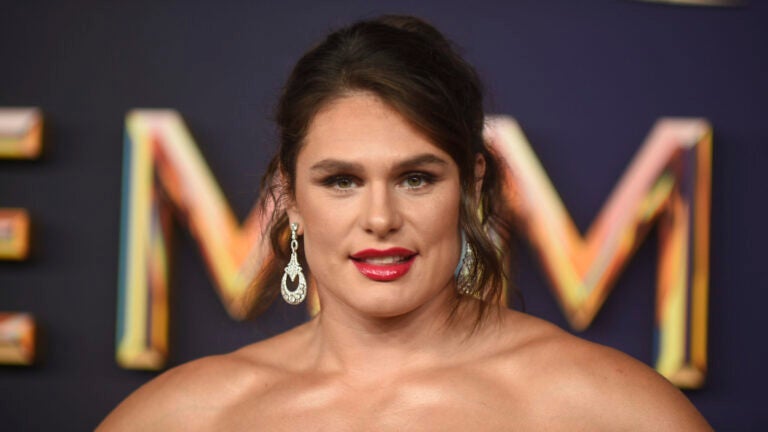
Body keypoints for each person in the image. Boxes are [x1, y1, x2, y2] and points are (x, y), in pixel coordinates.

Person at [97, 15, 711, 431]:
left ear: (471, 186)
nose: (381, 219)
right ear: (287, 195)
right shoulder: (189, 415)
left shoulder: (602, 407)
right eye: (341, 181)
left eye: (416, 178)